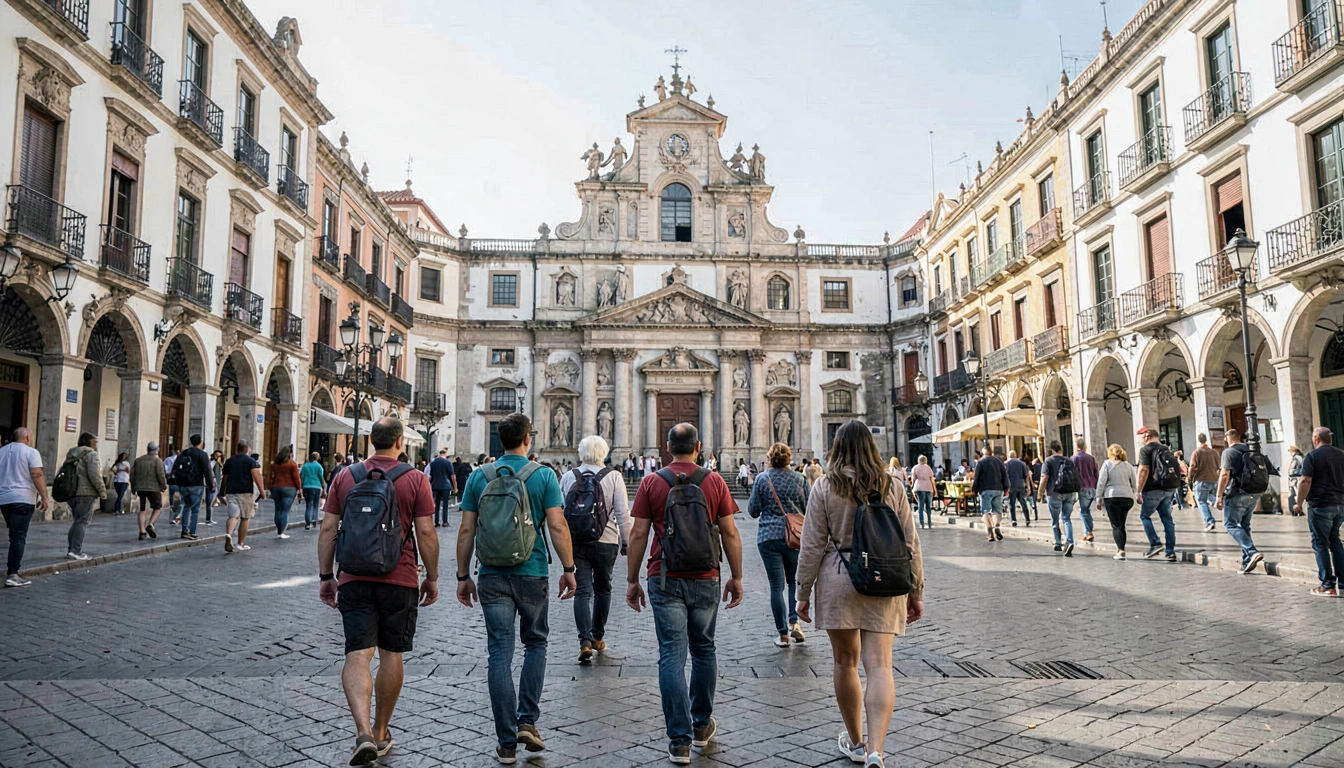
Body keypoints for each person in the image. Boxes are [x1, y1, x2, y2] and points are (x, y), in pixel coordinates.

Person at [796, 419, 924, 768]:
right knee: (880, 665)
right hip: (885, 577)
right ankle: (876, 751)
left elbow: (811, 545)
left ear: (837, 448)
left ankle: (855, 741)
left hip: (839, 578)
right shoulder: (893, 484)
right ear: (871, 447)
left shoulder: (825, 485)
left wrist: (802, 592)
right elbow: (910, 542)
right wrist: (916, 590)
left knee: (845, 662)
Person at [456, 412, 577, 764]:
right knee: (536, 643)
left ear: (500, 438)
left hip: (491, 574)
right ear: (528, 439)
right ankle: (527, 721)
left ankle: (506, 741)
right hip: (533, 571)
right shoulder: (543, 476)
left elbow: (466, 530)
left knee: (499, 653)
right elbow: (557, 527)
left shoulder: (479, 476)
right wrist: (569, 568)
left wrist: (463, 576)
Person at [318, 417, 438, 765]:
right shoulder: (415, 479)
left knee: (357, 654)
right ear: (400, 441)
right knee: (391, 655)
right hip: (399, 579)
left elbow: (328, 529)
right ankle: (381, 730)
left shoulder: (345, 476)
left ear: (371, 440)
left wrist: (327, 574)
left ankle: (362, 732)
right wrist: (431, 576)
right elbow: (426, 534)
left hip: (354, 577)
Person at [626, 423, 743, 765]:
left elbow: (638, 535)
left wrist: (632, 580)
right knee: (704, 649)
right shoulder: (715, 480)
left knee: (672, 656)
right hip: (707, 575)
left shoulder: (651, 482)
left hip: (664, 577)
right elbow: (731, 533)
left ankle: (679, 741)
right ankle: (701, 724)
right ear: (699, 446)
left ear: (666, 447)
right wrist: (736, 576)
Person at [560, 435, 631, 663]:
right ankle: (597, 636)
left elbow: (561, 512)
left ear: (581, 453)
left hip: (576, 541)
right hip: (606, 540)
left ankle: (584, 642)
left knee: (581, 592)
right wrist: (627, 542)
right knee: (603, 589)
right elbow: (622, 513)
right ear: (604, 452)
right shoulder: (614, 477)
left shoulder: (569, 476)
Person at [747, 442, 809, 648]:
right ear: (788, 458)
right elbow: (809, 508)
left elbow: (753, 510)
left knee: (776, 586)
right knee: (793, 583)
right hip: (794, 537)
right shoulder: (800, 479)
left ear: (769, 458)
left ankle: (782, 635)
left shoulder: (762, 479)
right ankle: (794, 622)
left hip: (769, 537)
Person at [1294, 427, 1344, 596]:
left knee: (1320, 543)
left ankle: (1327, 585)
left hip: (1320, 504)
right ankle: (1343, 583)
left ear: (1315, 438)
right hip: (1340, 504)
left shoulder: (1312, 456)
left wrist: (1298, 503)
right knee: (1335, 541)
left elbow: (1305, 480)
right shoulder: (1341, 454)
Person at [1214, 428, 1266, 575]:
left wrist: (1219, 496)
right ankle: (1246, 561)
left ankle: (1252, 551)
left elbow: (1224, 475)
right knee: (1244, 525)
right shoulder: (1250, 450)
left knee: (1230, 524)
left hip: (1237, 493)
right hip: (1254, 492)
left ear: (1227, 438)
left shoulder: (1228, 452)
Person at [0, 427, 47, 587]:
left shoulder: (2, 451)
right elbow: (36, 474)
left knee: (14, 534)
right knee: (18, 537)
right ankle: (13, 573)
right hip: (23, 498)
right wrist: (44, 496)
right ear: (27, 437)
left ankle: (12, 571)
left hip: (5, 499)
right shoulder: (31, 452)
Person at [1135, 426, 1178, 562]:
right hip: (1169, 488)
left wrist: (1138, 490)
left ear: (1147, 435)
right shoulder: (1166, 448)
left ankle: (1155, 543)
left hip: (1153, 489)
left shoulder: (1145, 450)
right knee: (1167, 518)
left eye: (1142, 436)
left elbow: (1143, 470)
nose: (1141, 439)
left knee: (1144, 516)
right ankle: (1170, 551)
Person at [64, 432, 106, 562]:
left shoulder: (71, 453)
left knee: (77, 520)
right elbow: (95, 475)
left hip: (71, 493)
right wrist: (102, 491)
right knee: (82, 521)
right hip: (86, 492)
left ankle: (72, 548)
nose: (96, 445)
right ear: (89, 442)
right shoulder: (91, 454)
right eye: (95, 442)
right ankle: (75, 550)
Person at [221, 441, 265, 553]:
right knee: (245, 517)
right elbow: (256, 476)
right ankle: (240, 543)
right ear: (248, 450)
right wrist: (262, 491)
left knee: (233, 516)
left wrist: (222, 491)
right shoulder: (251, 461)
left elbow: (225, 477)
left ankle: (229, 534)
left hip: (231, 492)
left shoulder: (229, 461)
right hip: (246, 492)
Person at [1096, 444, 1137, 560]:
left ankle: (1120, 550)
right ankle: (1121, 548)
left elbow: (1101, 482)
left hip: (1112, 496)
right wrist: (1136, 494)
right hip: (1127, 497)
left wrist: (1098, 497)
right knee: (1122, 524)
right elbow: (1134, 481)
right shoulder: (1128, 466)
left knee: (1116, 525)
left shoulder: (1107, 464)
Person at [1038, 440, 1077, 557]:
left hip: (1054, 492)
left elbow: (1044, 477)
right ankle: (1070, 541)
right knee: (1066, 518)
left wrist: (1040, 492)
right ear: (1061, 449)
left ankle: (1058, 542)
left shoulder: (1048, 461)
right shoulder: (1069, 460)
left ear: (1051, 449)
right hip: (1070, 492)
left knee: (1055, 519)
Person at [172, 434, 214, 541]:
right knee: (195, 509)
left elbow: (175, 468)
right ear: (200, 442)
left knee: (186, 506)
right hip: (196, 484)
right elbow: (207, 471)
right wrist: (211, 485)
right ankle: (192, 531)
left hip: (183, 484)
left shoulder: (184, 453)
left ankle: (184, 529)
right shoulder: (202, 454)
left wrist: (177, 482)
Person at [131, 442, 168, 541]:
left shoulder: (138, 460)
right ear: (157, 450)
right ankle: (151, 524)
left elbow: (132, 475)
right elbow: (161, 475)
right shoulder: (157, 461)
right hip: (153, 488)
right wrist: (163, 486)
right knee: (157, 507)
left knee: (142, 509)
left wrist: (133, 487)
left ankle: (142, 532)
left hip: (141, 488)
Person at [972, 444, 1008, 542]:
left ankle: (990, 533)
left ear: (983, 453)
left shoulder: (980, 462)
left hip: (985, 489)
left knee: (985, 511)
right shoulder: (999, 462)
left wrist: (974, 489)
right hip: (998, 489)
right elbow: (1005, 475)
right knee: (997, 510)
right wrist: (1006, 488)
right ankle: (996, 525)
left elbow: (976, 477)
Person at [1188, 433, 1221, 532]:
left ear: (1199, 440)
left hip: (1201, 480)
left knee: (1201, 501)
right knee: (1214, 498)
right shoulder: (1214, 452)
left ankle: (1210, 521)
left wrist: (1189, 479)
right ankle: (1231, 513)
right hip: (1214, 479)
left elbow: (1192, 467)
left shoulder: (1197, 452)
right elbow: (1219, 465)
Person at [268, 446, 301, 540]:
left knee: (278, 509)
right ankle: (281, 532)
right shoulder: (292, 464)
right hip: (289, 488)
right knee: (285, 511)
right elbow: (296, 478)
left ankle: (279, 529)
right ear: (289, 454)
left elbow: (272, 476)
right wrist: (299, 489)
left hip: (276, 487)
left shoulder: (275, 464)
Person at [1072, 438, 1099, 542]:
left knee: (1083, 511)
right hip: (1092, 487)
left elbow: (1072, 474)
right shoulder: (1091, 458)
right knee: (1086, 510)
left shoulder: (1074, 458)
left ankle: (1088, 532)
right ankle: (1088, 531)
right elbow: (1096, 472)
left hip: (1082, 487)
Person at [428, 449, 456, 527]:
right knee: (445, 504)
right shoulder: (447, 462)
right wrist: (455, 487)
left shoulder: (433, 463)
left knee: (437, 504)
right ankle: (445, 521)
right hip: (445, 485)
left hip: (436, 485)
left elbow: (431, 475)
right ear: (445, 454)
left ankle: (436, 522)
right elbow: (453, 476)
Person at [1005, 450, 1032, 526]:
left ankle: (1014, 520)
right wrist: (1028, 487)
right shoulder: (1022, 463)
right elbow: (1026, 476)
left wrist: (1005, 487)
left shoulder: (1006, 464)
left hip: (1011, 485)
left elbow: (1005, 476)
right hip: (1021, 485)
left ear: (1009, 456)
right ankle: (1027, 519)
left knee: (1012, 503)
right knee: (1023, 502)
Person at [300, 452, 326, 531]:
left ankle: (308, 523)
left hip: (306, 486)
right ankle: (314, 520)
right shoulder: (319, 466)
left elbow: (301, 477)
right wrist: (324, 488)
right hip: (316, 486)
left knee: (308, 505)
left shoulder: (305, 466)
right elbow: (321, 477)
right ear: (317, 458)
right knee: (315, 504)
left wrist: (300, 488)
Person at [910, 454, 935, 530]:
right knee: (928, 506)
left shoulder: (915, 467)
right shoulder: (928, 468)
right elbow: (932, 479)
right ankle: (929, 523)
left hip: (919, 487)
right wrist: (934, 489)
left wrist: (912, 486)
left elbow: (913, 479)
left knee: (920, 505)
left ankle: (921, 523)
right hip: (928, 487)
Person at [206, 450, 225, 523]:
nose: (219, 457)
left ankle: (209, 518)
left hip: (215, 483)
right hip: (213, 484)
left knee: (211, 501)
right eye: (217, 456)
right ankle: (209, 518)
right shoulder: (213, 462)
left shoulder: (218, 463)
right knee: (210, 501)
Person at [164, 448, 180, 525]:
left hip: (171, 480)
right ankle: (175, 517)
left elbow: (165, 468)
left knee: (171, 495)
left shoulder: (167, 459)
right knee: (177, 499)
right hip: (178, 481)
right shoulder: (180, 460)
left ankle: (171, 508)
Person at [1288, 445, 1305, 516]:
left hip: (1295, 480)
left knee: (1295, 496)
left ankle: (1297, 510)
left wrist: (1291, 472)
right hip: (1293, 480)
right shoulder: (1298, 458)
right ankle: (1296, 511)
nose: (1290, 453)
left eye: (1290, 451)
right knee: (1293, 496)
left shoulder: (1297, 458)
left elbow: (1302, 470)